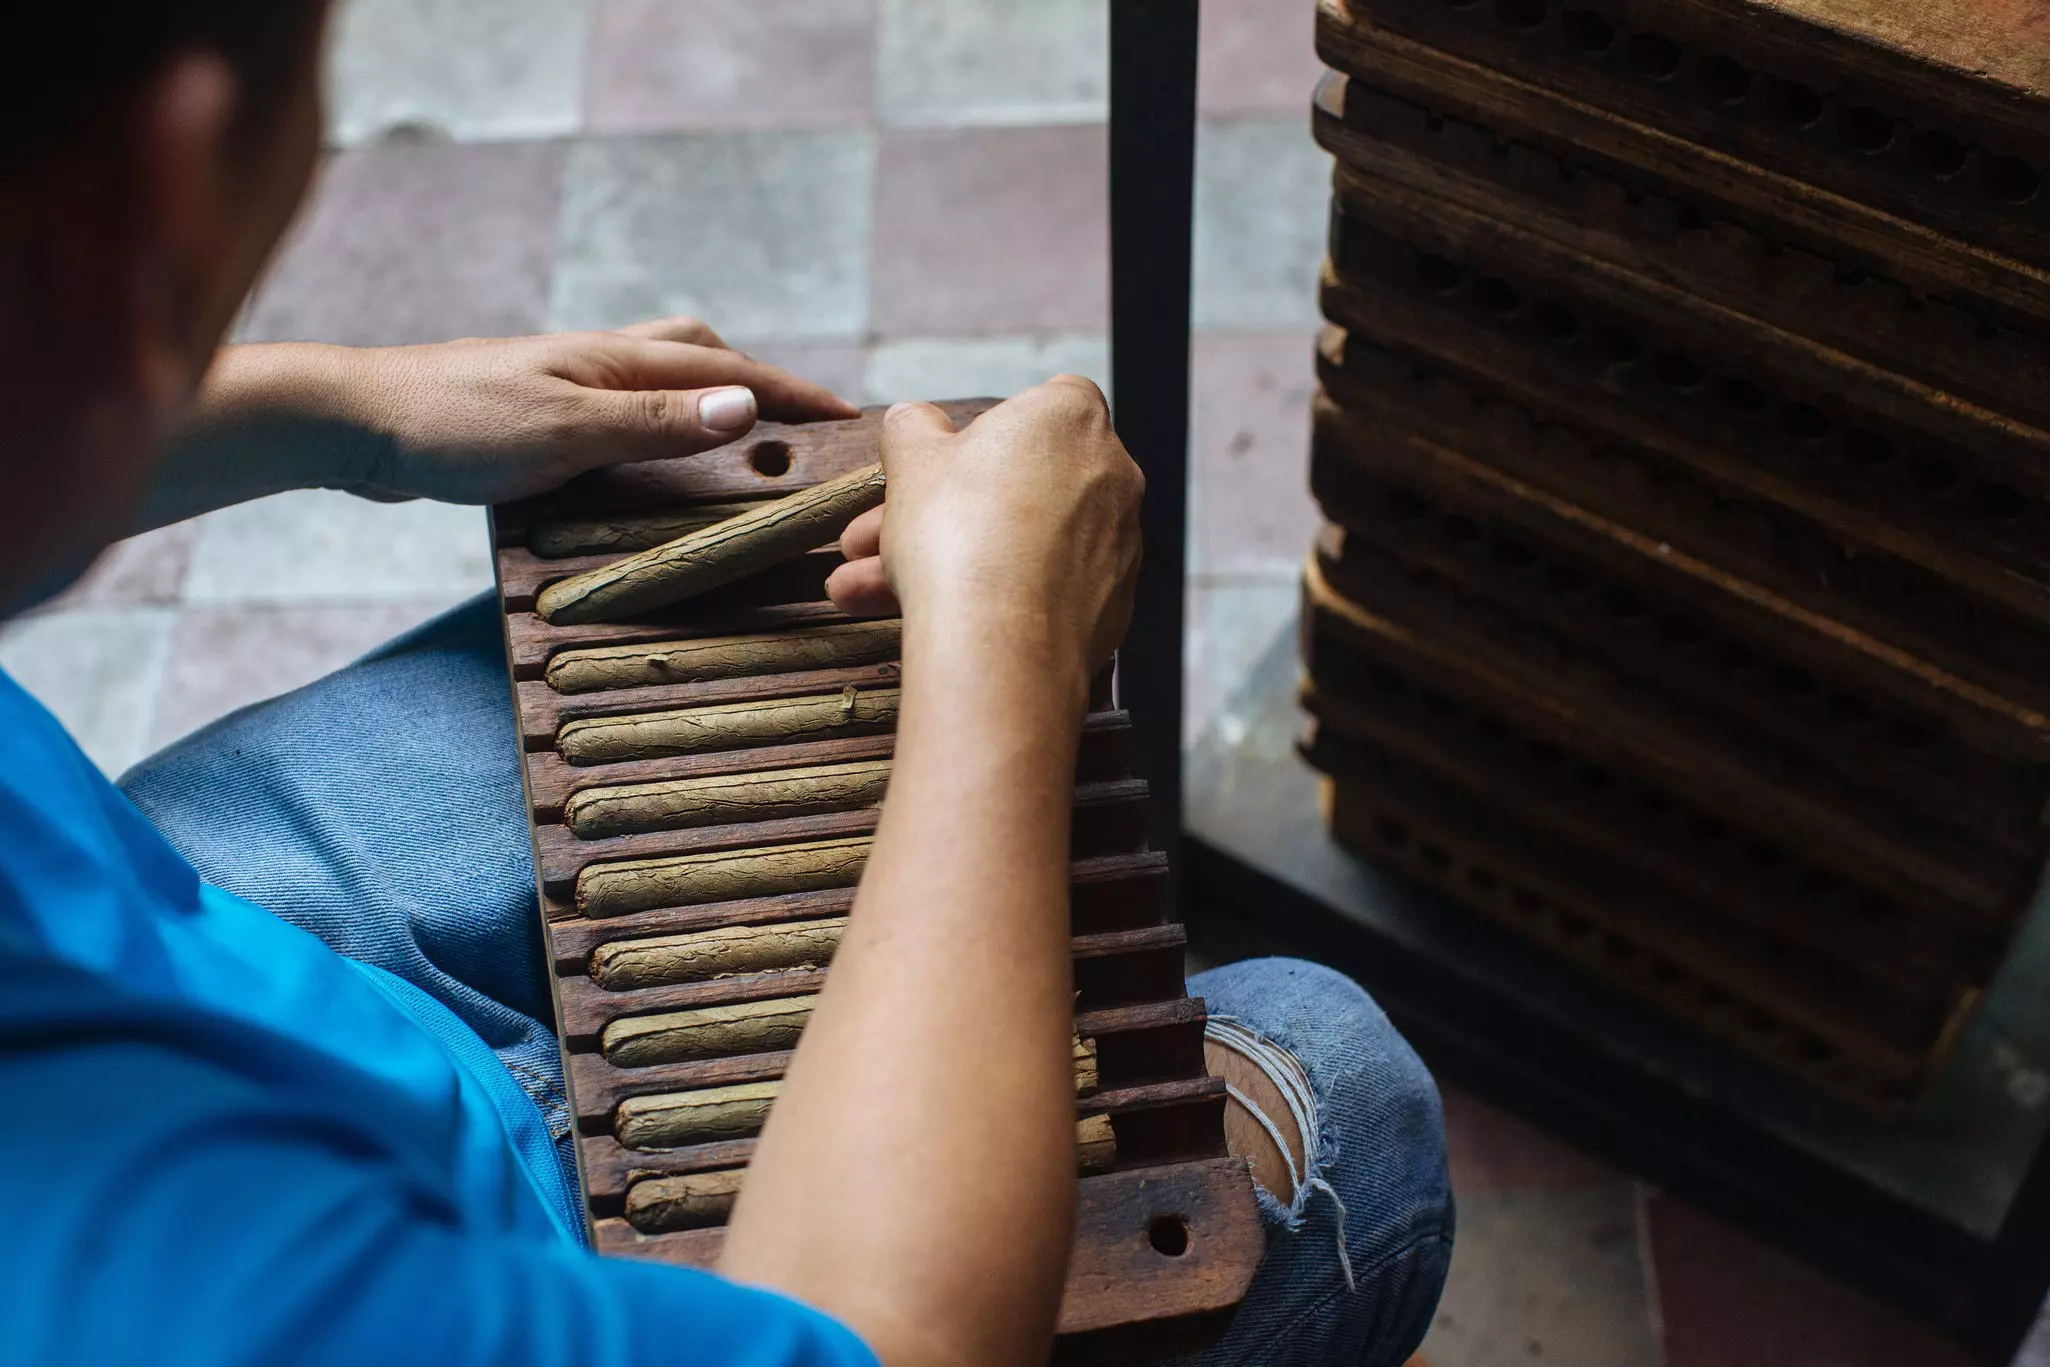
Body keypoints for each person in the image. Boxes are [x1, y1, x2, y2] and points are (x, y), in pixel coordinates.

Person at [0, 3, 1453, 1365]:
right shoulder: (203, 1306)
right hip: (347, 1229)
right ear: (167, 194)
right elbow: (874, 1341)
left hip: (165, 935)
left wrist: (361, 413)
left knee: (684, 620)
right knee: (1343, 1082)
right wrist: (1003, 653)